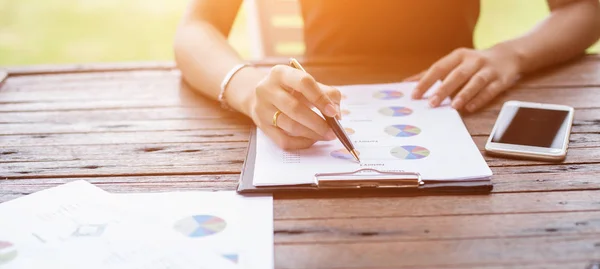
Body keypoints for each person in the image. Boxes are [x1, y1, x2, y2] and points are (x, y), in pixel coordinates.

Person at [174, 0, 600, 150]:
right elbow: (195, 29)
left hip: (452, 102)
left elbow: (586, 8)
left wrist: (512, 54)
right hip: (324, 102)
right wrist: (247, 88)